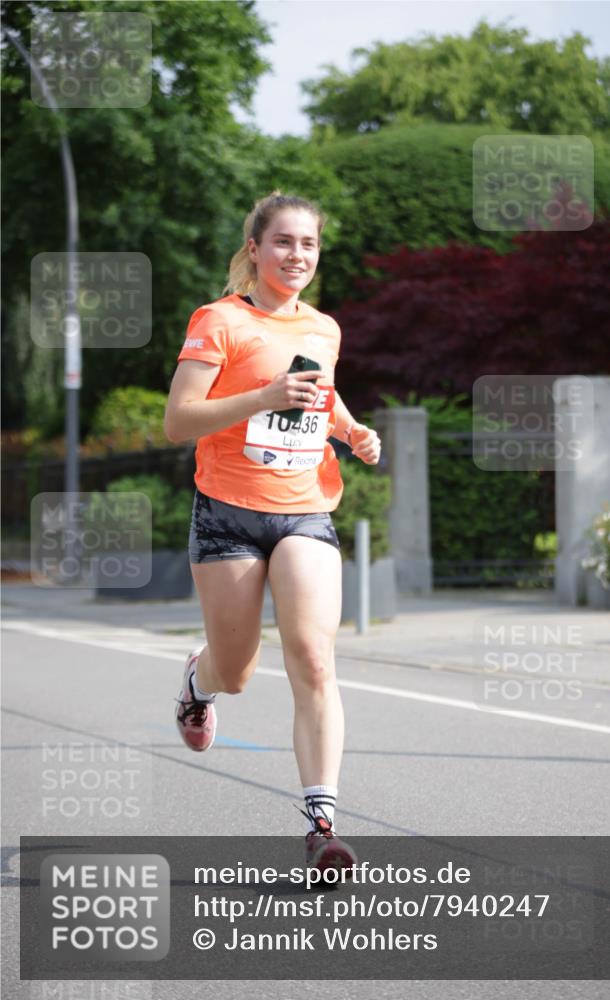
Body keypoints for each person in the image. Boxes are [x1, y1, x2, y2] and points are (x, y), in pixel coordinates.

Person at [164, 191, 381, 873]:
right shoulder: (219, 321)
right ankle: (199, 683)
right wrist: (260, 398)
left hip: (305, 507)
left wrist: (349, 429)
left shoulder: (323, 329)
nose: (297, 255)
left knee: (314, 657)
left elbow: (321, 391)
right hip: (226, 511)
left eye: (308, 245)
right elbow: (179, 420)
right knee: (237, 671)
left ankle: (321, 822)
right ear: (254, 250)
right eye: (283, 242)